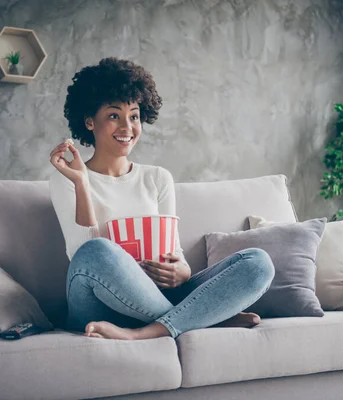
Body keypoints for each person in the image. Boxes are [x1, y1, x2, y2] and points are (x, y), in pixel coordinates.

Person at [48, 57, 275, 340]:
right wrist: (82, 182)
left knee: (258, 262)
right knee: (98, 251)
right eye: (114, 115)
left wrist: (181, 270)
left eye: (134, 116)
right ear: (89, 121)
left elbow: (174, 252)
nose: (127, 127)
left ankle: (147, 331)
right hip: (96, 303)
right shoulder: (68, 176)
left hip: (155, 295)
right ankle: (204, 316)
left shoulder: (157, 178)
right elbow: (82, 254)